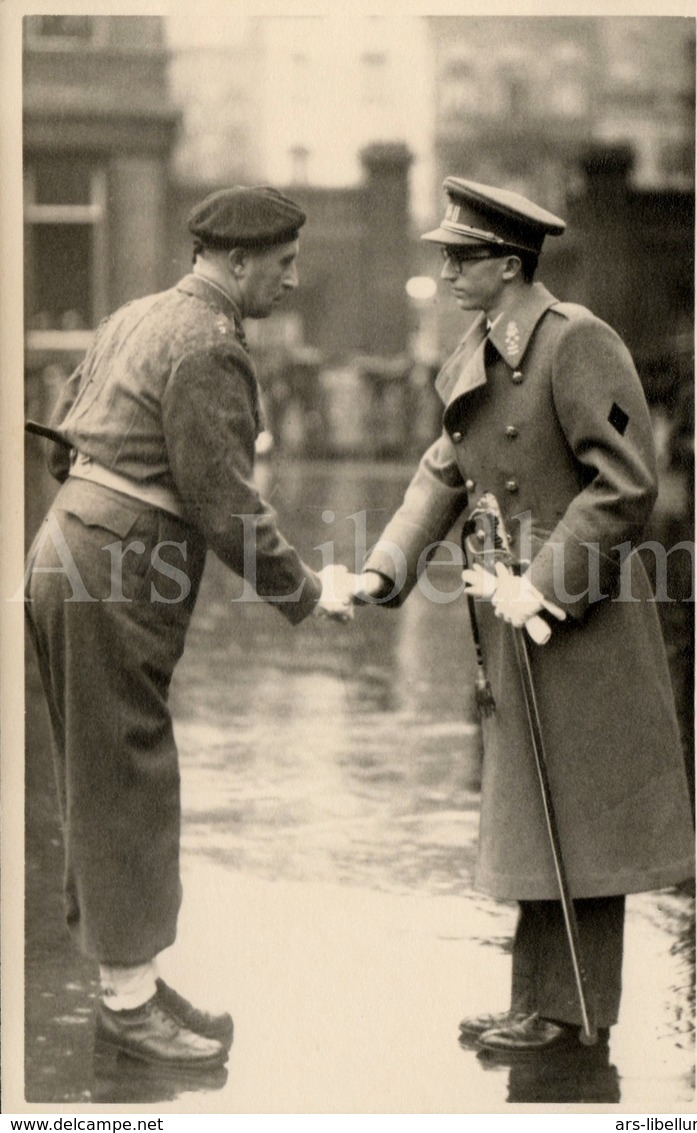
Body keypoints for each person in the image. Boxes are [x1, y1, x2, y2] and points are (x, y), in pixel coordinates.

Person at [354, 177, 695, 1056]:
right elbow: (442, 472)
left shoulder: (574, 343)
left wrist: (542, 583)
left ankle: (575, 1012)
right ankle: (537, 1001)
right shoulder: (476, 350)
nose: (445, 268)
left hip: (577, 614)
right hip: (512, 610)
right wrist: (385, 565)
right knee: (534, 810)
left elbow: (626, 481)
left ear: (507, 264)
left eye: (459, 257)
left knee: (581, 814)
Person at [24, 185, 355, 1069]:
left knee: (103, 774)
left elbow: (64, 440)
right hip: (111, 566)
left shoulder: (138, 313)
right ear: (237, 262)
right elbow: (225, 503)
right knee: (126, 776)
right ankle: (128, 1006)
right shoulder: (210, 345)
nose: (292, 281)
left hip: (66, 544)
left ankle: (128, 983)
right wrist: (306, 590)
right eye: (282, 266)